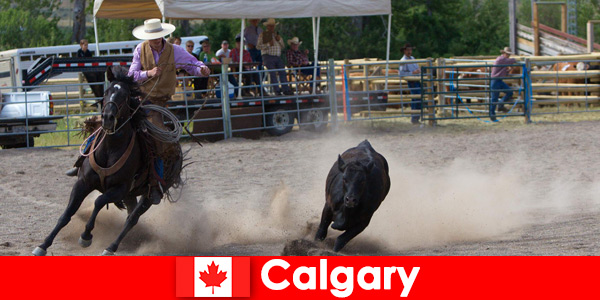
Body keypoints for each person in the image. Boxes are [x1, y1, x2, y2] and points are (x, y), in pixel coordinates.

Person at [67, 19, 210, 206]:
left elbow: (192, 63)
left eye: (159, 36)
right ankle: (82, 162)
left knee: (159, 136)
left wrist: (202, 69)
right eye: (153, 37)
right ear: (147, 38)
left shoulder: (174, 51)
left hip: (158, 103)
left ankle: (156, 181)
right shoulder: (140, 50)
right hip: (139, 99)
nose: (157, 40)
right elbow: (131, 74)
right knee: (102, 122)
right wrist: (148, 73)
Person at [256, 18, 292, 96]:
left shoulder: (277, 35)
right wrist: (268, 44)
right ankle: (277, 90)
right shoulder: (264, 35)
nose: (272, 28)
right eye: (270, 26)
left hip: (277, 56)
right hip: (268, 56)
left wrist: (279, 40)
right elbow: (258, 47)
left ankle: (285, 89)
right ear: (267, 27)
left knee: (282, 71)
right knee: (272, 73)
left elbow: (283, 46)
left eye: (273, 26)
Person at [490, 47, 517, 121]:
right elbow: (512, 60)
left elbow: (503, 71)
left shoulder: (503, 60)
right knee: (494, 98)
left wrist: (509, 70)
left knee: (510, 92)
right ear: (504, 53)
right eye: (508, 54)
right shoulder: (501, 59)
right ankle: (492, 114)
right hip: (495, 80)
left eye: (509, 54)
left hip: (498, 80)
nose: (509, 56)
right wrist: (517, 59)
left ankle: (500, 104)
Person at [398, 43, 422, 125]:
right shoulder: (403, 61)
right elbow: (401, 73)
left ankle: (416, 118)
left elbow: (417, 67)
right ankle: (414, 118)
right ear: (404, 51)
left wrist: (418, 70)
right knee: (416, 98)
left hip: (417, 79)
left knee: (418, 98)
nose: (409, 51)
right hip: (411, 80)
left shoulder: (412, 58)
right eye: (408, 50)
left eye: (410, 50)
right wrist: (413, 72)